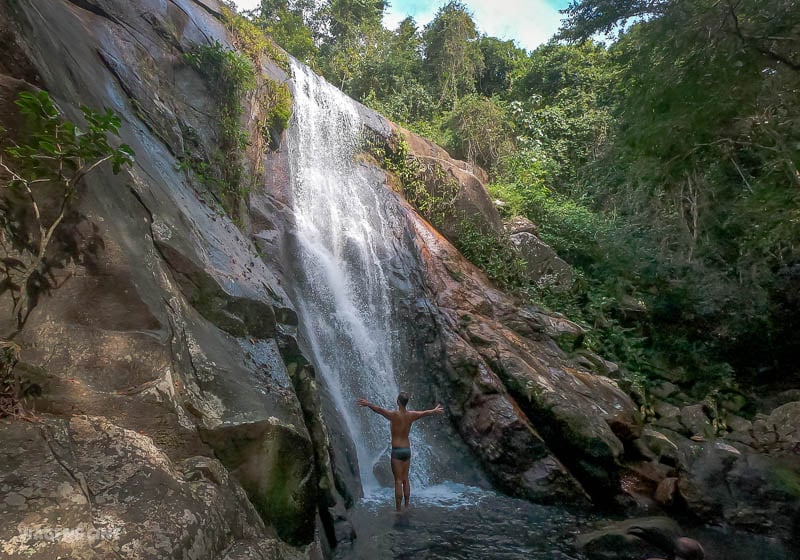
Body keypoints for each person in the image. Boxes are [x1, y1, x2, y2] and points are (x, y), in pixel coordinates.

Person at [356, 392, 444, 511]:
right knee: (405, 479)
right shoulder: (411, 415)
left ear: (398, 401)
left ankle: (398, 509)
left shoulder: (394, 415)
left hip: (397, 451)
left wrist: (368, 404)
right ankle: (407, 506)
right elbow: (425, 413)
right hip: (407, 450)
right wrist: (434, 410)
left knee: (398, 481)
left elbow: (379, 410)